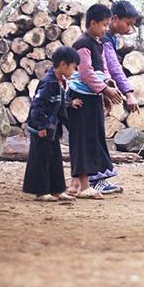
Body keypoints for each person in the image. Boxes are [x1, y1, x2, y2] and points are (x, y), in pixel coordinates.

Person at [67, 4, 123, 199]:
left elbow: (103, 67)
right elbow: (85, 73)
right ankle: (90, 182)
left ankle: (81, 183)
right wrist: (104, 89)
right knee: (85, 140)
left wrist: (107, 82)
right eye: (105, 25)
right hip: (82, 98)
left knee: (95, 137)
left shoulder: (97, 42)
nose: (107, 28)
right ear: (93, 23)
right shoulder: (82, 44)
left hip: (93, 97)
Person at [89, 0, 141, 194]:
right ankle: (93, 181)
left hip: (96, 90)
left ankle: (93, 180)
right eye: (128, 23)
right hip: (89, 92)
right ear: (114, 19)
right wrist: (127, 93)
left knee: (94, 136)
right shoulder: (100, 39)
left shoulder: (108, 38)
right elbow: (111, 66)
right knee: (92, 138)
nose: (130, 29)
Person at [23, 47, 82, 202]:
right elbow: (37, 106)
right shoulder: (48, 83)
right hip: (42, 128)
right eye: (73, 67)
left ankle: (57, 190)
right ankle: (41, 192)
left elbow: (58, 100)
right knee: (41, 159)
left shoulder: (59, 82)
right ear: (63, 64)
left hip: (53, 128)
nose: (74, 70)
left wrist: (70, 102)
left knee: (55, 158)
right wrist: (41, 126)